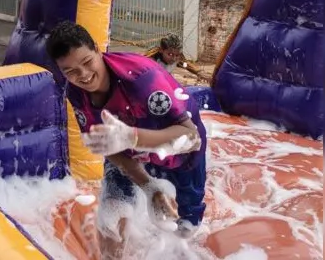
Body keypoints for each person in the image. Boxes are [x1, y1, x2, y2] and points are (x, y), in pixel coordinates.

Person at [45, 21, 207, 248]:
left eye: (87, 62)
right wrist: (149, 187)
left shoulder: (143, 79)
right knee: (110, 220)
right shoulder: (75, 93)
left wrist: (132, 137)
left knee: (186, 225)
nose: (83, 76)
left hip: (180, 156)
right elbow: (109, 148)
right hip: (130, 152)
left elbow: (192, 139)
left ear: (97, 49)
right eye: (70, 71)